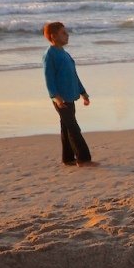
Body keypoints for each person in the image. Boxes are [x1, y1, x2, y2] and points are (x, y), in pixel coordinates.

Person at [41, 21, 94, 167]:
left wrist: (83, 92)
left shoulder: (65, 53)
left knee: (66, 126)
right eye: (63, 33)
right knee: (73, 128)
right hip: (60, 99)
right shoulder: (49, 55)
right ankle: (84, 159)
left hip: (70, 96)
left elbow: (74, 75)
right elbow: (48, 78)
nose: (67, 35)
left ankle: (68, 158)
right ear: (54, 36)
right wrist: (55, 96)